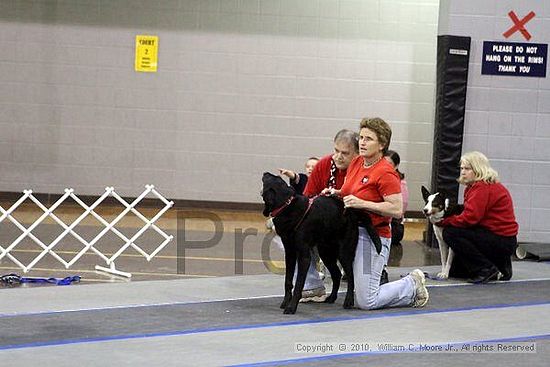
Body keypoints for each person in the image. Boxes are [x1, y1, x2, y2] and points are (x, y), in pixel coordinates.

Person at [328, 117, 428, 310]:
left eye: (369, 139)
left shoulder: (386, 172)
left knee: (367, 301)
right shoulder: (357, 162)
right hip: (351, 232)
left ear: (382, 144)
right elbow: (353, 190)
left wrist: (362, 203)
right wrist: (338, 193)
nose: (362, 143)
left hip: (371, 237)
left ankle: (411, 285)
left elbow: (396, 209)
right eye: (362, 138)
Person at [436, 151, 518, 284]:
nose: (463, 172)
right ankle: (501, 265)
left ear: (479, 169)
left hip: (501, 239)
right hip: (499, 238)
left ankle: (486, 269)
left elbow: (470, 218)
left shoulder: (482, 188)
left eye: (467, 169)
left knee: (450, 233)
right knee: (456, 271)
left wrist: (445, 222)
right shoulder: (475, 187)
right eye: (462, 168)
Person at [384, 150, 408, 246]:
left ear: (396, 166)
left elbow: (401, 209)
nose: (385, 167)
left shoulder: (401, 183)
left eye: (389, 164)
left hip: (394, 225)